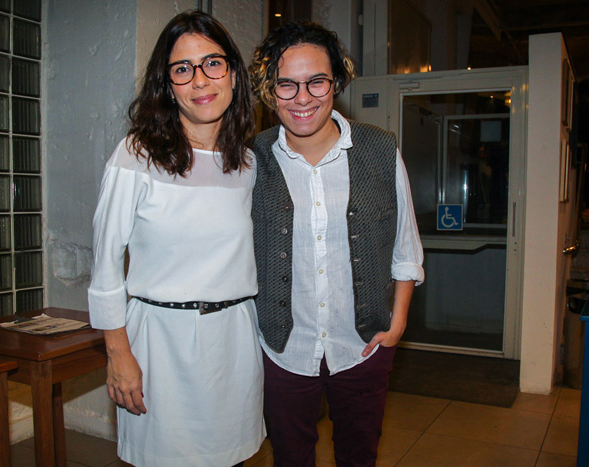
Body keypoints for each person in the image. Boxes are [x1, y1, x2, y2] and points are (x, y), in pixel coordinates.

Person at [87, 11, 265, 467]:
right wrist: (117, 353)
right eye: (183, 69)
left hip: (234, 343)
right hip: (159, 345)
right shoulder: (137, 155)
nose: (200, 80)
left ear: (232, 73)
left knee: (233, 459)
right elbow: (106, 262)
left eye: (212, 63)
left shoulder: (246, 163)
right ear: (167, 84)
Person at [249, 21, 424, 466]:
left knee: (359, 455)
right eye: (286, 84)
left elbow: (405, 248)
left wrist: (397, 322)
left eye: (316, 81)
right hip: (282, 347)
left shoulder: (379, 150)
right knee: (289, 457)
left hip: (362, 345)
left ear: (336, 82)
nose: (302, 97)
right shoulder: (251, 159)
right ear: (270, 90)